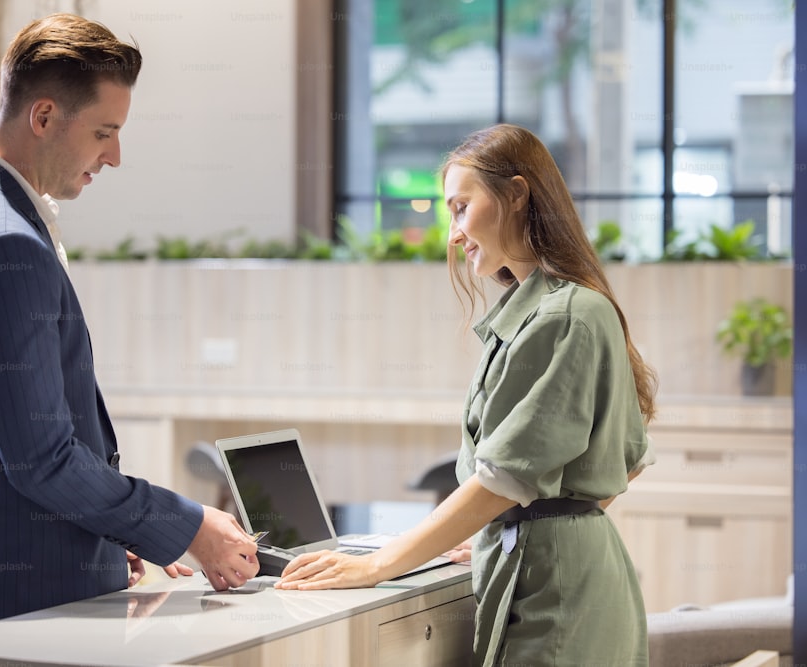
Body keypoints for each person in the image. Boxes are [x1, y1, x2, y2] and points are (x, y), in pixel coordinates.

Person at [0, 13, 259, 634]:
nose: (114, 156)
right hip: (19, 590)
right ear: (45, 116)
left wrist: (105, 530)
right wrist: (187, 527)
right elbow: (42, 460)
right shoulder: (0, 243)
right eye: (104, 132)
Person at [276, 124, 657, 665]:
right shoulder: (552, 309)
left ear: (518, 194)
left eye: (460, 207)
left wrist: (381, 562)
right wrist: (518, 521)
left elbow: (507, 475)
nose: (453, 233)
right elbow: (625, 462)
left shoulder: (565, 314)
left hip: (560, 590)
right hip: (565, 570)